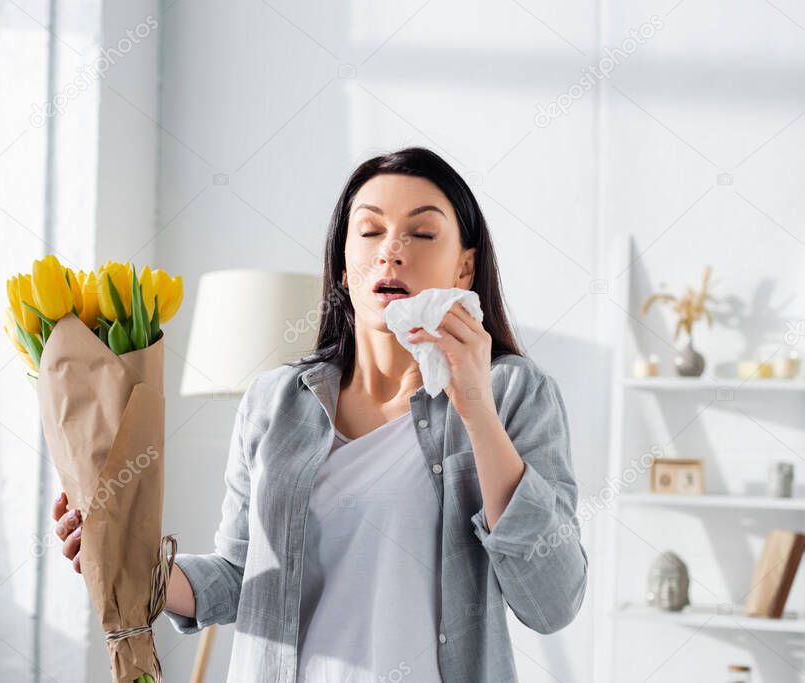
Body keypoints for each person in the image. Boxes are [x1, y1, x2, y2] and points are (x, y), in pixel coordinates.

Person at [53, 146, 588, 682]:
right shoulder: (275, 401)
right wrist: (128, 561)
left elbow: (552, 600)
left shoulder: (514, 392)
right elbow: (242, 574)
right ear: (342, 264)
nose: (392, 251)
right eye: (371, 231)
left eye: (422, 234)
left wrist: (475, 408)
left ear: (464, 266)